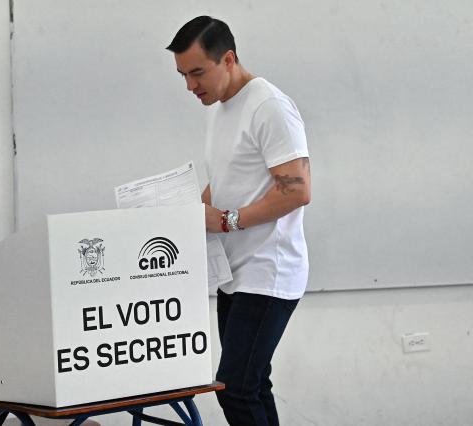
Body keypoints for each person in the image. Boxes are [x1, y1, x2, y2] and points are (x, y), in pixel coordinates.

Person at [167, 16, 311, 426]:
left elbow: (297, 189)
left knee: (235, 389)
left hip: (270, 272)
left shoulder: (269, 106)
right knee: (252, 384)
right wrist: (190, 213)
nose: (191, 86)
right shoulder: (219, 107)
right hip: (234, 272)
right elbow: (228, 176)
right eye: (183, 75)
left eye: (198, 73)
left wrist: (226, 220)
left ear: (228, 59)